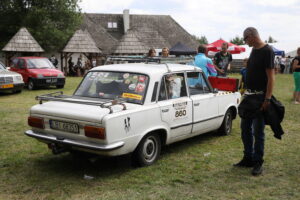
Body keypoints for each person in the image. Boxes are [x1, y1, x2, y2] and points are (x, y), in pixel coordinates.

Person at [234, 27, 275, 176]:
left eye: (245, 39)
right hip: (249, 97)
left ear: (251, 36)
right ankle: (248, 158)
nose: (245, 42)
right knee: (245, 130)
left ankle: (258, 162)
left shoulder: (267, 51)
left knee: (258, 132)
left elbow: (271, 77)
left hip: (260, 98)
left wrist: (267, 98)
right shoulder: (254, 50)